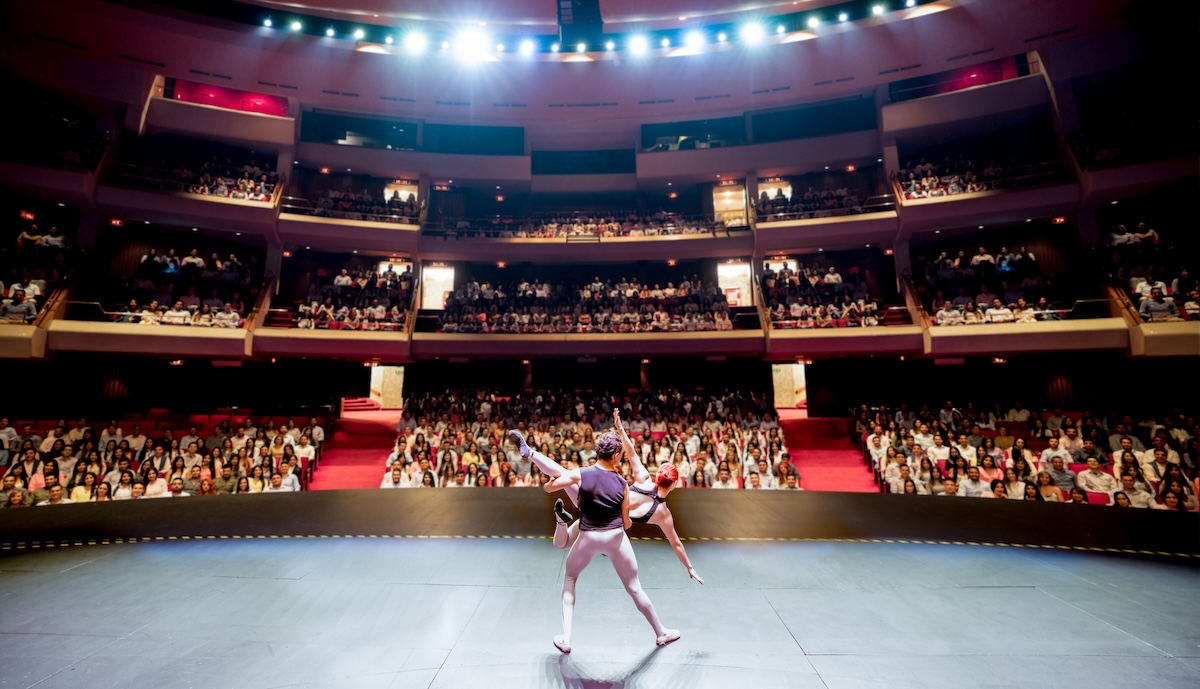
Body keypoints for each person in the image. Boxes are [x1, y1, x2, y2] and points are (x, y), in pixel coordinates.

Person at [512, 419, 681, 653]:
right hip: (615, 537)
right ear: (615, 455)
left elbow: (549, 487)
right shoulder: (623, 484)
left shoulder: (582, 474)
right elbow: (626, 521)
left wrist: (554, 484)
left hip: (587, 532)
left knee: (569, 577)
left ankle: (566, 638)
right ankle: (661, 633)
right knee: (634, 587)